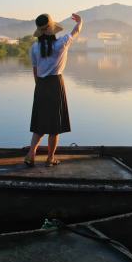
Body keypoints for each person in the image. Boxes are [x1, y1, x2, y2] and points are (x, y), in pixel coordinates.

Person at [24, 12, 83, 167]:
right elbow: (76, 32)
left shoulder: (34, 48)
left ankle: (31, 155)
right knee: (54, 127)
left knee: (39, 124)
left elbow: (35, 72)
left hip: (41, 86)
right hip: (56, 85)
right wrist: (80, 22)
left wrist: (39, 87)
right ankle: (50, 158)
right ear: (52, 29)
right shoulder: (61, 44)